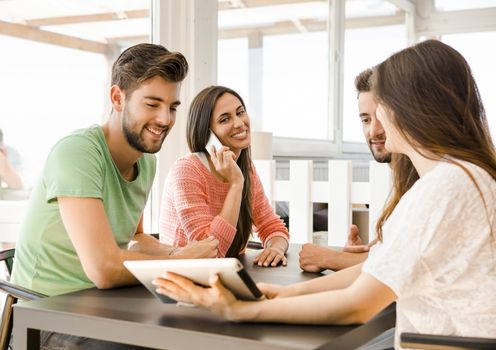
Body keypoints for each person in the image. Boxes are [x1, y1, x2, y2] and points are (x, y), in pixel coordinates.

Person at [153, 40, 496, 348]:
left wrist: (239, 311)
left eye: (381, 109)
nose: (375, 125)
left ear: (411, 109)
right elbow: (373, 271)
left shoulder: (443, 189)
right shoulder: (462, 178)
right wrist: (286, 292)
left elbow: (358, 303)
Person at [11, 43, 218, 349]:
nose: (165, 119)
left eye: (172, 107)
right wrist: (184, 263)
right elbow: (104, 269)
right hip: (44, 318)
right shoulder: (78, 152)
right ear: (117, 97)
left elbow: (137, 237)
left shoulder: (145, 161)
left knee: (206, 329)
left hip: (100, 307)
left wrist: (179, 253)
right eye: (152, 104)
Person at [159, 86, 289, 266]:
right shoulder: (187, 171)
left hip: (229, 272)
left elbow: (272, 227)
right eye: (225, 119)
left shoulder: (246, 169)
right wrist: (236, 184)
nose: (239, 123)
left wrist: (275, 248)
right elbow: (210, 252)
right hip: (184, 276)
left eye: (240, 112)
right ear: (207, 133)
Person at [299, 68, 395, 272]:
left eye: (382, 118)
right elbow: (391, 255)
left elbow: (400, 265)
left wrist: (330, 258)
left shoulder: (426, 180)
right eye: (366, 120)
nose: (373, 131)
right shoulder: (400, 181)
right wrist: (362, 254)